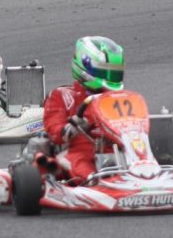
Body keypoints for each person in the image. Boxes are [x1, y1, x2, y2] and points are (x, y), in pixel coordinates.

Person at [43, 36, 126, 182]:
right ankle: (95, 183)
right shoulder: (62, 95)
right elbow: (54, 130)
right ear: (85, 68)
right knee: (77, 162)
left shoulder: (119, 99)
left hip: (118, 151)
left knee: (143, 160)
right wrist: (72, 127)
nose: (110, 77)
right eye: (105, 71)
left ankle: (150, 177)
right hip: (80, 150)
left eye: (115, 72)